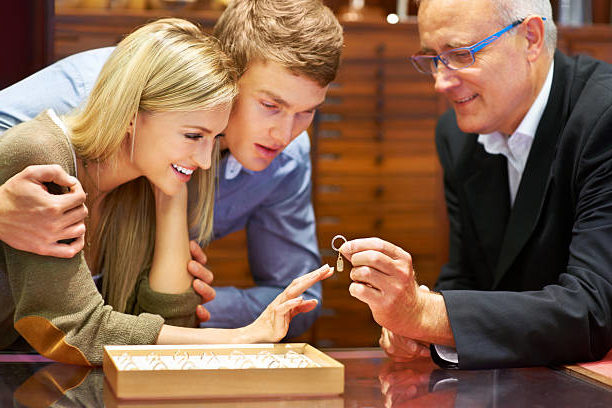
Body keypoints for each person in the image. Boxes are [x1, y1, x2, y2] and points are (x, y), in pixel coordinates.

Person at [0, 17, 333, 366]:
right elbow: (75, 332)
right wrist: (239, 337)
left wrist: (172, 196)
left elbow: (168, 323)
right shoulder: (45, 151)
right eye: (193, 135)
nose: (207, 163)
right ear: (129, 114)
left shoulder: (143, 180)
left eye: (214, 139)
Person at [339, 0, 612, 369]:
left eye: (461, 54)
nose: (440, 81)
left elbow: (593, 311)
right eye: (432, 58)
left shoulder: (603, 117)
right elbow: (468, 275)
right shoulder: (457, 136)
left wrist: (428, 314)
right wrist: (418, 329)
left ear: (531, 38)